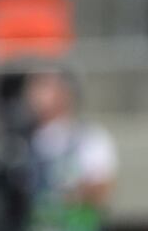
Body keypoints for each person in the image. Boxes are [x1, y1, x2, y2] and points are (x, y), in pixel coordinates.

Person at [25, 67, 117, 231]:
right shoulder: (27, 141)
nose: (34, 95)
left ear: (65, 94)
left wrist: (70, 191)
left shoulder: (89, 138)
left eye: (44, 86)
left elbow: (103, 188)